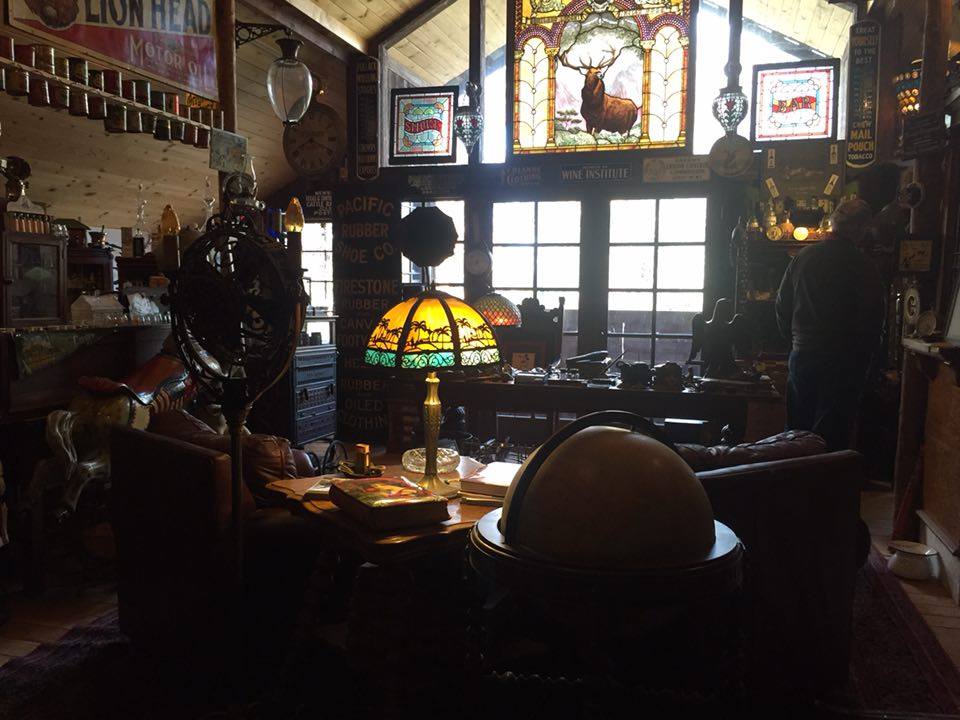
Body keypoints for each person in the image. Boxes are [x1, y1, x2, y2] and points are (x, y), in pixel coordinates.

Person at [775, 198, 885, 451]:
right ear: (860, 229)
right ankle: (823, 476)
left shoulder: (804, 257)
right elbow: (873, 318)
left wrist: (794, 342)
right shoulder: (864, 266)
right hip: (845, 360)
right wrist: (868, 359)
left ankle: (791, 474)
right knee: (832, 435)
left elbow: (782, 306)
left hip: (803, 353)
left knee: (795, 434)